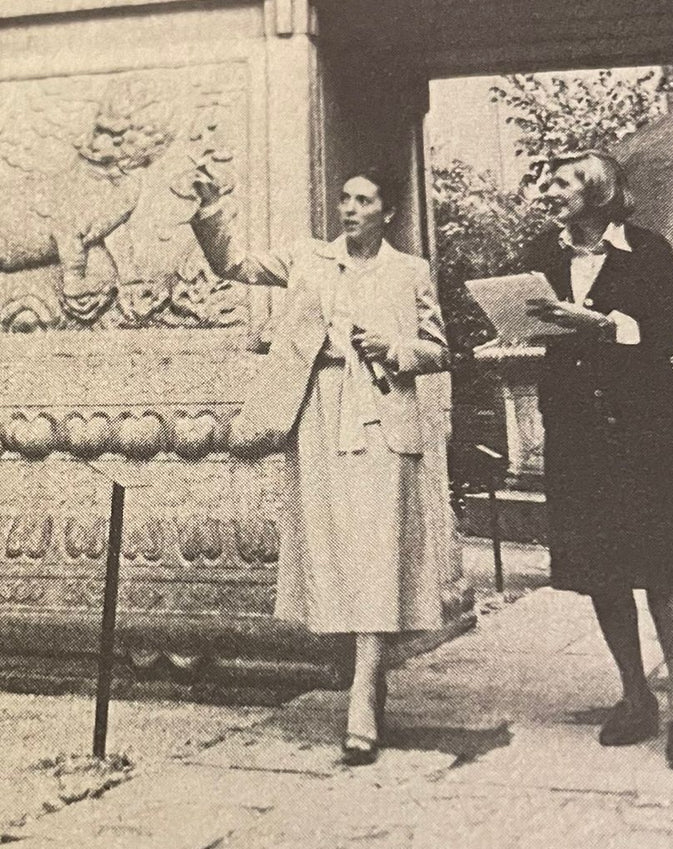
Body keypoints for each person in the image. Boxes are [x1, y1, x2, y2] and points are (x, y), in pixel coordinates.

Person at [189, 166, 452, 766]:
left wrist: (398, 349)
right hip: (319, 413)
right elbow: (235, 266)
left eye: (365, 199)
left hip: (385, 411)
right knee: (337, 549)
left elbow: (440, 349)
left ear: (387, 212)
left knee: (379, 547)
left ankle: (363, 694)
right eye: (346, 198)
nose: (351, 208)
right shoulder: (307, 259)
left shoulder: (410, 271)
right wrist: (211, 212)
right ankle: (368, 669)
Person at [523, 150, 673, 770]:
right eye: (550, 183)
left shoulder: (649, 251)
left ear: (599, 192)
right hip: (576, 432)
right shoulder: (543, 256)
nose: (552, 191)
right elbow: (538, 330)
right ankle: (636, 695)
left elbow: (666, 337)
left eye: (564, 182)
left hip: (644, 431)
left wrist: (600, 325)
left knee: (666, 563)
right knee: (602, 565)